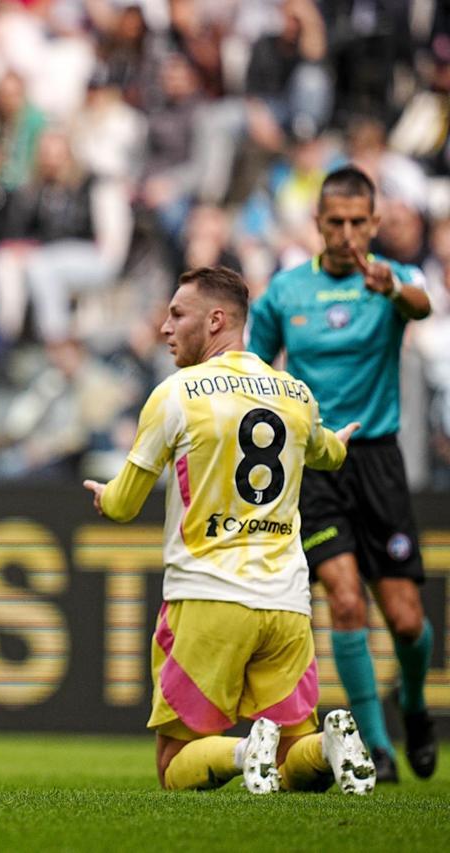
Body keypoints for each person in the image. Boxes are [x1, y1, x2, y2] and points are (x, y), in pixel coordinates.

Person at [84, 266, 374, 795]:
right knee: (292, 758)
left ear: (216, 320)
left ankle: (243, 751)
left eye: (178, 314)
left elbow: (124, 505)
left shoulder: (176, 394)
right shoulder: (294, 393)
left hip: (207, 599)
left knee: (174, 764)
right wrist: (341, 442)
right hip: (286, 605)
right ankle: (328, 748)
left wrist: (106, 497)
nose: (165, 327)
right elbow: (328, 453)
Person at [249, 166, 437, 783]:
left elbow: (423, 305)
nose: (348, 233)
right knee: (346, 600)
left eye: (359, 222)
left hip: (378, 460)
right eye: (336, 222)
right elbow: (255, 370)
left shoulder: (391, 279)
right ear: (318, 223)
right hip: (316, 464)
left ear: (375, 222)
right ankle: (377, 747)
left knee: (406, 619)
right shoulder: (285, 292)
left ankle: (414, 705)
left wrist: (392, 288)